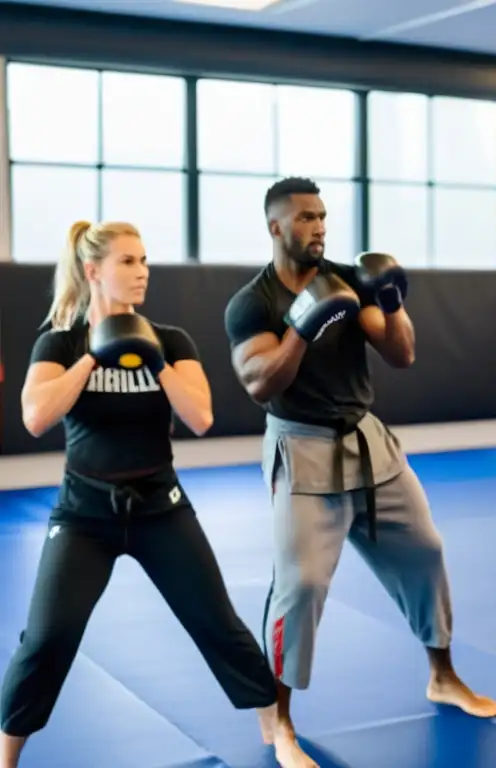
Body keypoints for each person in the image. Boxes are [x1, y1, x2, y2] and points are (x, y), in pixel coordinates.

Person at [0, 220, 316, 768]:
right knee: (47, 638)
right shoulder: (59, 342)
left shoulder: (170, 340)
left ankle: (279, 735)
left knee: (217, 623)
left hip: (160, 509)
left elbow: (201, 417)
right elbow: (34, 418)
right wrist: (94, 356)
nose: (142, 271)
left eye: (144, 260)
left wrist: (154, 361)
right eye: (128, 262)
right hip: (83, 514)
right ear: (93, 270)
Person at [222, 176, 496, 743]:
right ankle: (279, 724)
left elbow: (402, 353)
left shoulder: (346, 280)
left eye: (322, 216)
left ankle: (442, 676)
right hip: (300, 448)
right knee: (299, 586)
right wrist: (302, 327)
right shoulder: (252, 302)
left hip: (368, 441)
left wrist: (392, 303)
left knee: (426, 553)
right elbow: (257, 382)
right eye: (304, 218)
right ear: (276, 226)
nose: (319, 226)